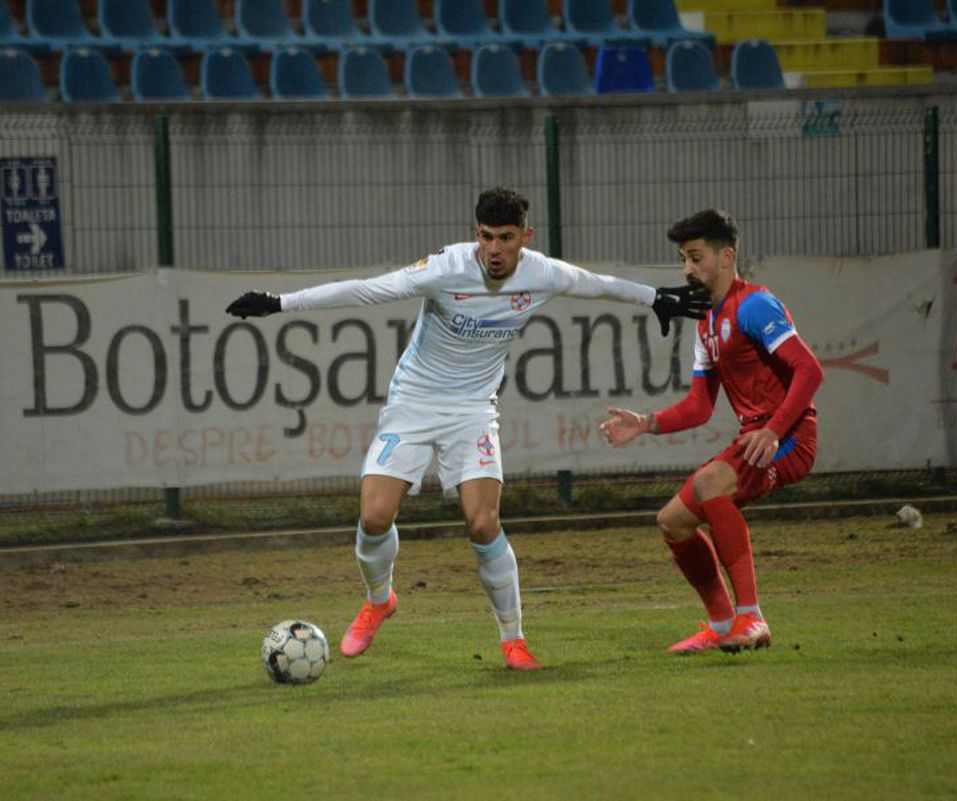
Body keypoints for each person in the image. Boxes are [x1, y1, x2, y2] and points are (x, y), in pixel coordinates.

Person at [227, 188, 710, 670]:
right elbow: (368, 289)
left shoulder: (541, 273)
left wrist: (656, 298)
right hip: (413, 402)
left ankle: (513, 640)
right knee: (374, 517)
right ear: (473, 233)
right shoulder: (447, 268)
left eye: (505, 238)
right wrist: (279, 303)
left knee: (483, 523)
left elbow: (595, 282)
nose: (494, 250)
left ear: (526, 236)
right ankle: (379, 600)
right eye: (485, 237)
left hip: (474, 409)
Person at [598, 209, 823, 655]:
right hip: (756, 438)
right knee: (674, 522)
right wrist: (644, 424)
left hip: (790, 437)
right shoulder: (706, 323)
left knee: (709, 482)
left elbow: (809, 369)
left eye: (695, 257)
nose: (687, 269)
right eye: (684, 258)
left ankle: (752, 617)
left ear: (727, 257)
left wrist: (776, 429)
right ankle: (722, 623)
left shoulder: (755, 305)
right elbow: (700, 408)